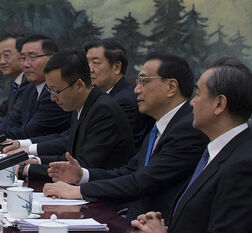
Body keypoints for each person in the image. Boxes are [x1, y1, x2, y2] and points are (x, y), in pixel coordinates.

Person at [43, 53, 208, 222]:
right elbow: (129, 171)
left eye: (143, 80)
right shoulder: (163, 125)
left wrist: (79, 191)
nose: (136, 89)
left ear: (171, 87)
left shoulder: (187, 129)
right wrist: (82, 176)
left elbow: (143, 181)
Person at [130, 57, 252, 233]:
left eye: (198, 94)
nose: (192, 102)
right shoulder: (216, 151)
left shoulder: (245, 165)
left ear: (219, 104)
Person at [7, 50, 134, 181]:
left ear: (79, 85)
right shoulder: (82, 104)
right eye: (49, 90)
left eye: (56, 91)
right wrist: (35, 161)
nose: (52, 98)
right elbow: (69, 156)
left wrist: (25, 170)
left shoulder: (103, 111)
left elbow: (81, 167)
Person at [0, 34, 70, 139]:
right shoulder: (31, 87)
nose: (25, 64)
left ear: (52, 58)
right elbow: (12, 121)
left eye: (32, 57)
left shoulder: (56, 91)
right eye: (23, 58)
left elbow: (32, 131)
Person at [85, 39, 153, 150]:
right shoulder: (98, 96)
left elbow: (94, 142)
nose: (89, 69)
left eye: (95, 63)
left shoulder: (124, 102)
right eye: (87, 62)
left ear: (116, 67)